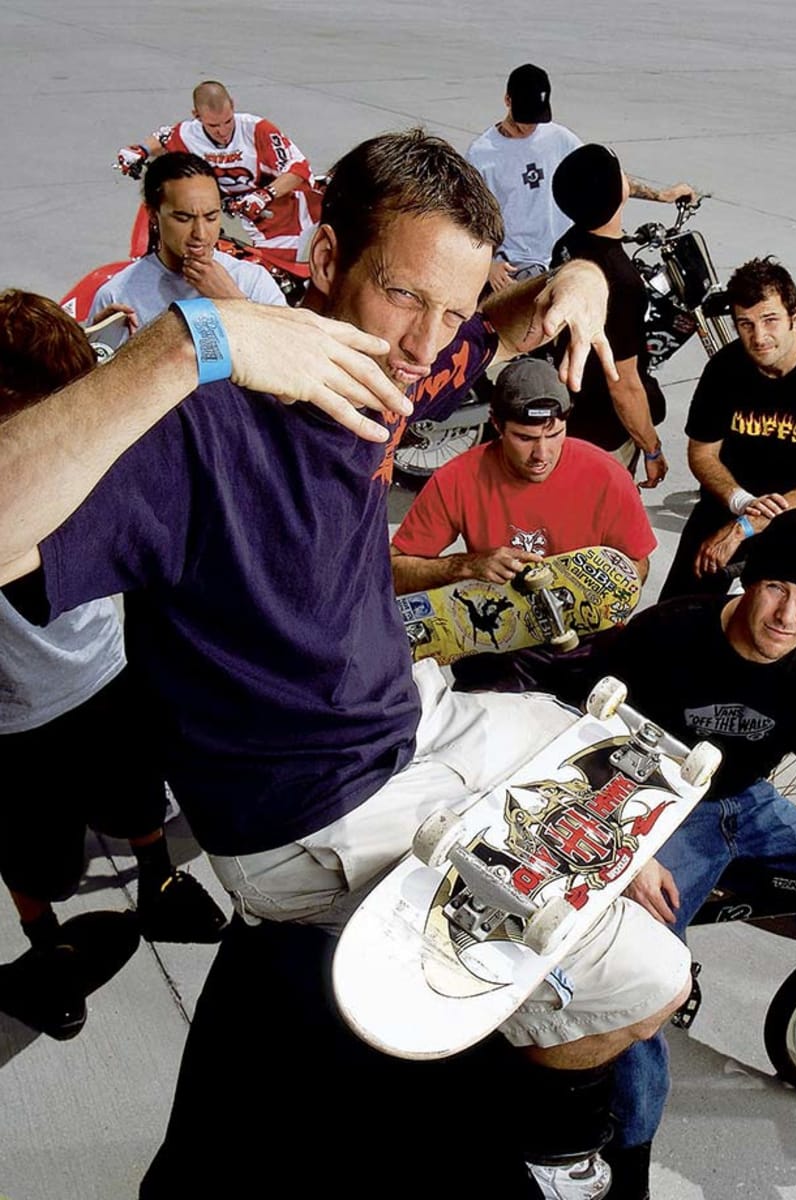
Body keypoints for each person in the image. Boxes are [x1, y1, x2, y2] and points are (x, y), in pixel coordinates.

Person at [0, 129, 686, 1198]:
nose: (424, 345)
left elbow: (494, 332)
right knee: (650, 980)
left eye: (447, 310)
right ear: (323, 261)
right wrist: (191, 344)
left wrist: (580, 276)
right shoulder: (199, 429)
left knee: (643, 768)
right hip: (316, 803)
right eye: (404, 297)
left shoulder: (386, 368)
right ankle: (555, 1160)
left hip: (412, 715)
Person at [571, 511, 796, 1199]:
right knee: (645, 976)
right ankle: (633, 1159)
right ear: (749, 580)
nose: (788, 615)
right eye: (777, 589)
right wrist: (626, 848)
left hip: (754, 803)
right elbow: (581, 740)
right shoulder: (668, 633)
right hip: (657, 806)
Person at [0, 290, 227, 1042]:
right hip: (16, 712)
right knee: (36, 858)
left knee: (138, 795)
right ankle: (48, 947)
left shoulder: (82, 401)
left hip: (109, 662)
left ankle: (159, 882)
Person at [657, 257, 796, 602]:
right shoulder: (725, 367)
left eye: (770, 320)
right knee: (672, 618)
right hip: (729, 503)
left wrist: (744, 527)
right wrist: (741, 502)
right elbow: (702, 452)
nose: (759, 336)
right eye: (745, 324)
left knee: (781, 626)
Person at [390, 355, 657, 594]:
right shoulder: (456, 478)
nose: (542, 454)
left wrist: (585, 592)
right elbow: (393, 572)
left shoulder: (608, 476)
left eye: (553, 435)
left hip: (588, 638)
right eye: (524, 438)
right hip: (497, 633)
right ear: (496, 423)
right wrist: (464, 566)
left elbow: (638, 565)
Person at [467, 64, 697, 292]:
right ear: (508, 101)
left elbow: (603, 177)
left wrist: (662, 196)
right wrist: (487, 265)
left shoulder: (559, 138)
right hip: (519, 265)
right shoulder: (482, 155)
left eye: (537, 118)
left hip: (568, 253)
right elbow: (466, 221)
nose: (531, 126)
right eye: (526, 118)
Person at [550, 143, 669, 486]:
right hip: (603, 434)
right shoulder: (621, 281)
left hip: (570, 413)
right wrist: (652, 448)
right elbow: (624, 386)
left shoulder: (568, 243)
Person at [88, 153, 286, 346]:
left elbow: (293, 355)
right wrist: (97, 348)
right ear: (153, 215)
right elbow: (91, 377)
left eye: (211, 217)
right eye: (183, 218)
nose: (200, 233)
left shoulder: (252, 282)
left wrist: (233, 301)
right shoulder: (117, 296)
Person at [115, 80, 322, 261]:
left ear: (233, 106)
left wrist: (264, 195)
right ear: (196, 116)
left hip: (278, 211)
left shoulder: (257, 129)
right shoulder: (187, 133)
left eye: (228, 121)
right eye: (213, 126)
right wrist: (138, 151)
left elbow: (298, 169)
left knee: (273, 276)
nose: (223, 132)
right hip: (231, 214)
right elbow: (161, 139)